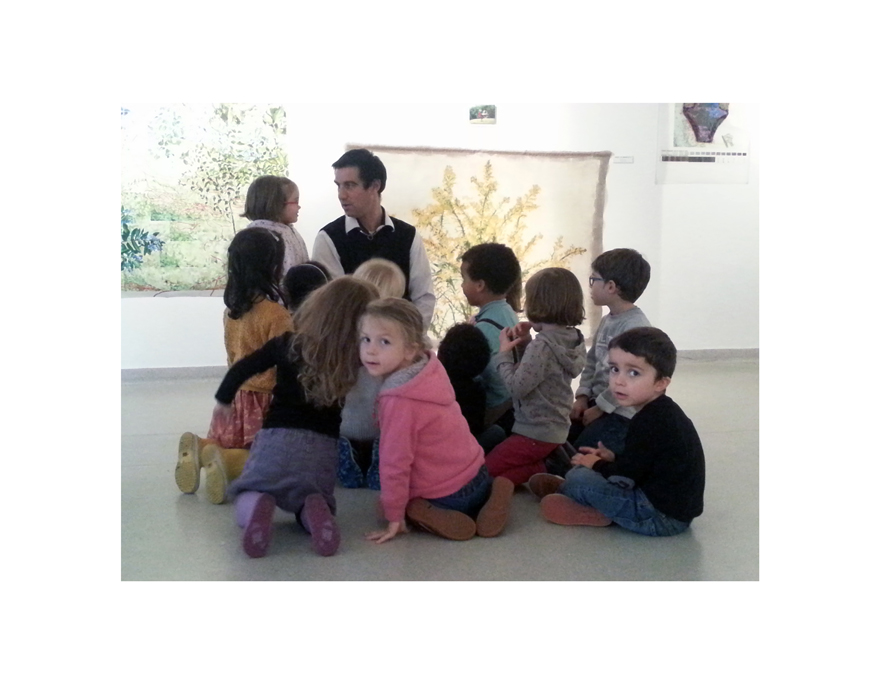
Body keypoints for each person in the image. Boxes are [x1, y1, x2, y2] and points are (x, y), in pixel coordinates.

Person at [210, 277, 380, 558]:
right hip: (322, 451)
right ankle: (313, 508)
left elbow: (243, 368)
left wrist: (224, 400)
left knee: (247, 497)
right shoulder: (356, 356)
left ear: (318, 307)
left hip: (275, 442)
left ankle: (259, 502)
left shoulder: (286, 344)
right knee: (311, 498)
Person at [360, 298, 514, 543]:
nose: (370, 349)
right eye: (365, 339)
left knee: (386, 507)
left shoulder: (399, 399)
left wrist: (394, 515)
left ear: (410, 349)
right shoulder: (430, 369)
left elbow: (395, 461)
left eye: (384, 341)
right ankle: (496, 492)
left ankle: (423, 513)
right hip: (478, 474)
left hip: (447, 496)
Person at [528, 327, 705, 537]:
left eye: (633, 373)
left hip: (658, 517)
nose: (619, 380)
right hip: (671, 511)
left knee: (580, 475)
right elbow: (646, 462)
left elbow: (625, 477)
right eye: (614, 369)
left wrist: (598, 464)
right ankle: (576, 493)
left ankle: (580, 500)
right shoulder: (660, 413)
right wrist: (613, 457)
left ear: (661, 383)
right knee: (586, 471)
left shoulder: (648, 421)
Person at [175, 227, 292, 503]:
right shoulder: (276, 314)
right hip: (264, 397)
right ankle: (227, 465)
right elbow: (284, 361)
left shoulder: (231, 311)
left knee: (227, 439)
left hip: (237, 394)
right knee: (260, 456)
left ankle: (201, 448)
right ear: (273, 266)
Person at [552, 248, 652, 474]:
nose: (590, 286)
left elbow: (630, 380)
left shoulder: (635, 328)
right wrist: (583, 396)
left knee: (581, 456)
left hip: (619, 414)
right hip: (596, 403)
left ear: (611, 287)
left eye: (593, 280)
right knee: (558, 437)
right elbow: (593, 360)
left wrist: (600, 408)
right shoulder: (608, 320)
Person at [484, 268, 587, 486]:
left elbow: (517, 387)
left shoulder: (543, 345)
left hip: (535, 432)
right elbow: (542, 371)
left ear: (539, 304)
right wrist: (525, 343)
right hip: (556, 427)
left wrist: (503, 354)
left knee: (484, 474)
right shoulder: (573, 338)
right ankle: (549, 461)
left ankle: (547, 466)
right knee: (497, 472)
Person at [311, 148, 435, 329]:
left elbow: (423, 297)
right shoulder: (328, 238)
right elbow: (334, 306)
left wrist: (406, 340)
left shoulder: (407, 236)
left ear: (375, 186)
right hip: (350, 346)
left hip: (402, 344)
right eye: (338, 185)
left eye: (350, 185)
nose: (341, 195)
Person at [337, 258, 408, 489]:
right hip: (381, 426)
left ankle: (348, 454)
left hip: (346, 424)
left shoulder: (347, 335)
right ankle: (380, 462)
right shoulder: (391, 337)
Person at [459, 243, 522, 433]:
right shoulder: (508, 312)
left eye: (464, 278)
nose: (462, 285)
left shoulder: (483, 329)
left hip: (494, 416)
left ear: (480, 285)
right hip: (511, 411)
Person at [437, 323, 506, 453]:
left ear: (442, 353)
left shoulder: (433, 384)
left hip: (441, 450)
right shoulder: (476, 390)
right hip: (462, 449)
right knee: (497, 432)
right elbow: (476, 428)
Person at [241, 175, 309, 273]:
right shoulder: (258, 239)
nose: (299, 206)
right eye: (295, 201)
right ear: (277, 204)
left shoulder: (288, 230)